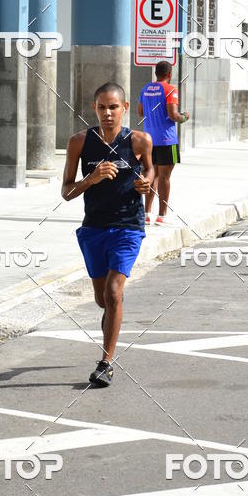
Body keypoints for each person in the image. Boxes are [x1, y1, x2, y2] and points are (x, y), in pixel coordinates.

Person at [62, 82, 154, 387]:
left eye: (113, 107)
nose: (107, 113)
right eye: (102, 107)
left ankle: (105, 363)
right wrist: (92, 178)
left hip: (128, 227)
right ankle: (113, 309)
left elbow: (150, 173)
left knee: (114, 293)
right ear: (94, 108)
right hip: (93, 229)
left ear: (124, 108)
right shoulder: (79, 142)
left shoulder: (140, 141)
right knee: (103, 300)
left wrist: (145, 185)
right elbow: (66, 191)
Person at [137, 60, 189, 225]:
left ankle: (146, 213)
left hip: (149, 140)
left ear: (156, 73)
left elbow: (140, 112)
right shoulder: (170, 89)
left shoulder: (146, 89)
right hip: (167, 140)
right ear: (169, 74)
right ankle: (162, 216)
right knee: (165, 177)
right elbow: (173, 115)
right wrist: (184, 117)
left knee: (152, 175)